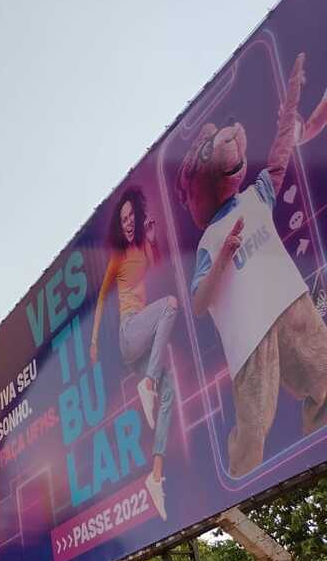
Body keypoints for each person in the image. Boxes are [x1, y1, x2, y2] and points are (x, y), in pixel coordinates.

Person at [180, 51, 327, 476]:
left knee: (323, 372)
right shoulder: (209, 240)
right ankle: (241, 476)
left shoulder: (255, 195)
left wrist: (292, 100)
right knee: (253, 432)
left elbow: (281, 154)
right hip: (249, 339)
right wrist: (224, 257)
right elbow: (198, 302)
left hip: (291, 305)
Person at [89, 185, 177, 520]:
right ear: (118, 224)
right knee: (170, 305)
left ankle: (155, 476)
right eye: (122, 218)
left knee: (169, 394)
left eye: (131, 217)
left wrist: (153, 238)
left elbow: (156, 262)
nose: (128, 223)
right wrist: (94, 342)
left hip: (140, 343)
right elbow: (100, 301)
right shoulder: (117, 258)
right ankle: (149, 381)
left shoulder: (142, 247)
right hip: (129, 332)